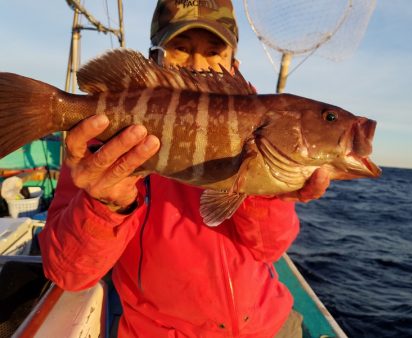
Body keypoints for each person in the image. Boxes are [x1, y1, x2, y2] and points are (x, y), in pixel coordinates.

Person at [39, 0, 330, 337]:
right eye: (180, 48)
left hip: (270, 326)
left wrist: (261, 184)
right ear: (155, 60)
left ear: (233, 65)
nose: (197, 64)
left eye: (213, 52)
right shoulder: (100, 152)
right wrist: (104, 205)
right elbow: (68, 275)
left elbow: (269, 249)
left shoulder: (266, 134)